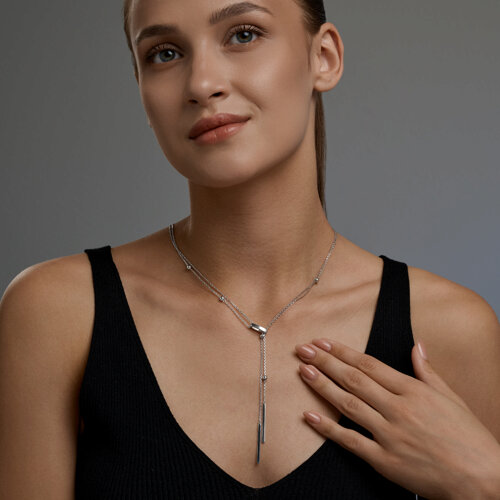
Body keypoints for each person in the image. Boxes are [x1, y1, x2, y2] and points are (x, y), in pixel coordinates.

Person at [0, 0, 499, 498]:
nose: (201, 84)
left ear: (323, 57)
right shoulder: (58, 314)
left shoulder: (448, 331)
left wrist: (487, 481)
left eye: (243, 35)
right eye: (165, 53)